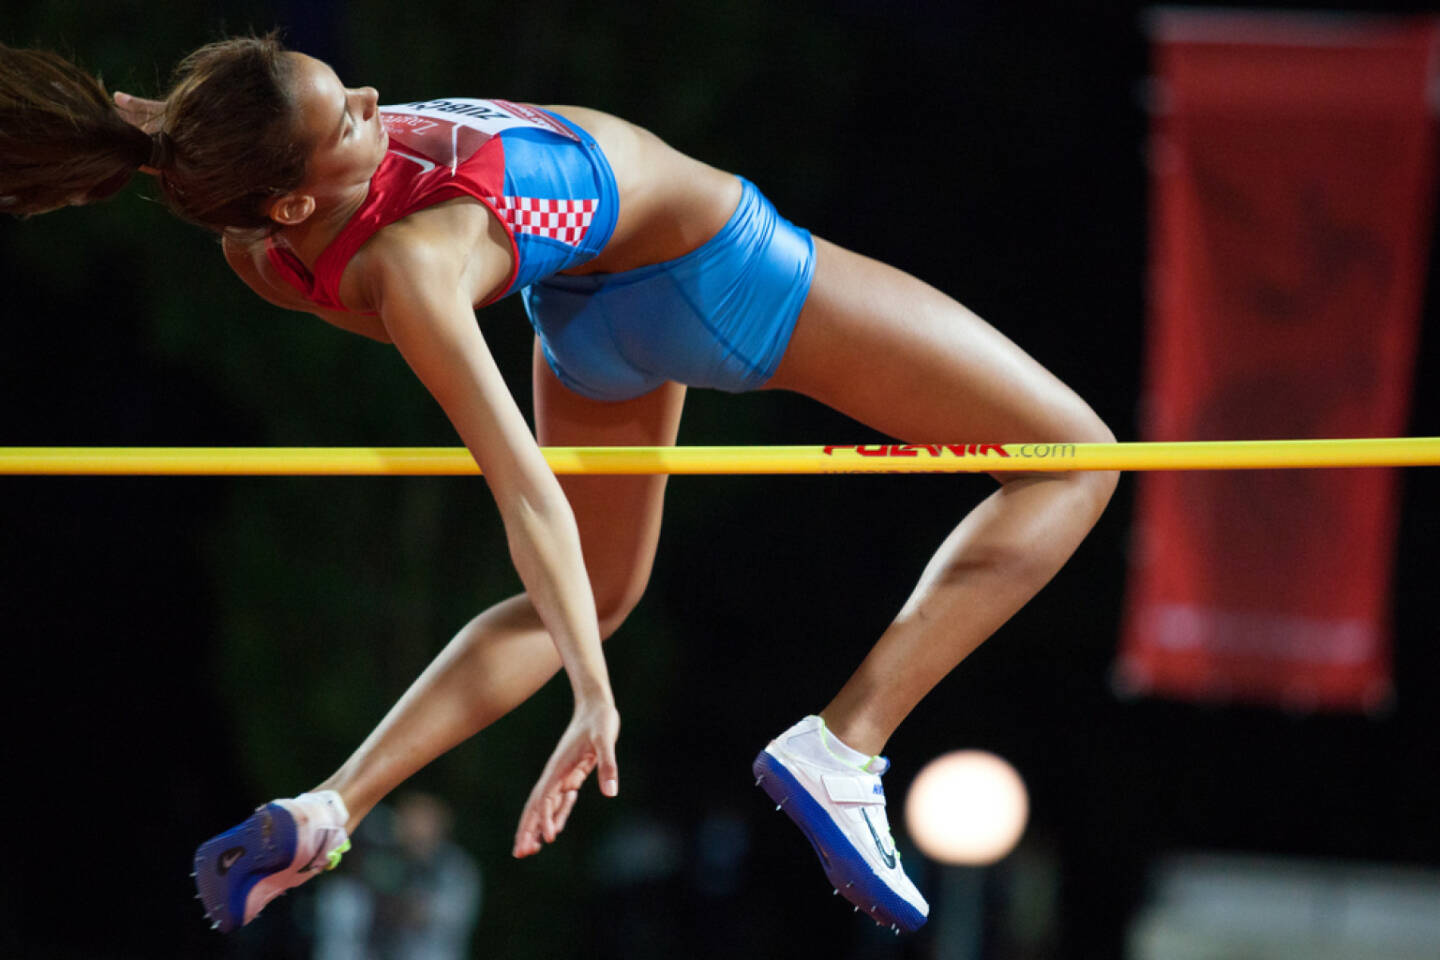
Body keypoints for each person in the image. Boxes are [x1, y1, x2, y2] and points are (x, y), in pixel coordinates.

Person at [0, 34, 1117, 935]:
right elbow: (527, 494)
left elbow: (147, 124)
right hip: (715, 267)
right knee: (1076, 454)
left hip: (584, 321)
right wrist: (593, 691)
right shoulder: (418, 270)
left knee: (590, 593)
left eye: (346, 90)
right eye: (349, 119)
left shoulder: (237, 205)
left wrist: (586, 643)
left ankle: (330, 805)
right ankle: (847, 742)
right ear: (291, 204)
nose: (375, 98)